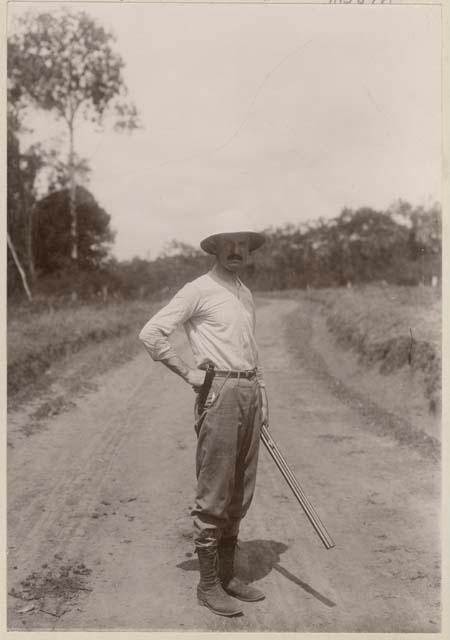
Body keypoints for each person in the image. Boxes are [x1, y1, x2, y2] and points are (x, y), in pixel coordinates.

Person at [138, 228, 268, 617]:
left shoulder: (244, 293)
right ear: (214, 249)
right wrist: (187, 372)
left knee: (240, 491)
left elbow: (250, 351)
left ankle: (227, 576)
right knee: (214, 491)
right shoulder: (198, 289)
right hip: (221, 393)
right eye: (227, 244)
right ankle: (208, 585)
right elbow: (151, 333)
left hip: (249, 391)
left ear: (249, 251)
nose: (236, 250)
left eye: (243, 244)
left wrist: (263, 394)